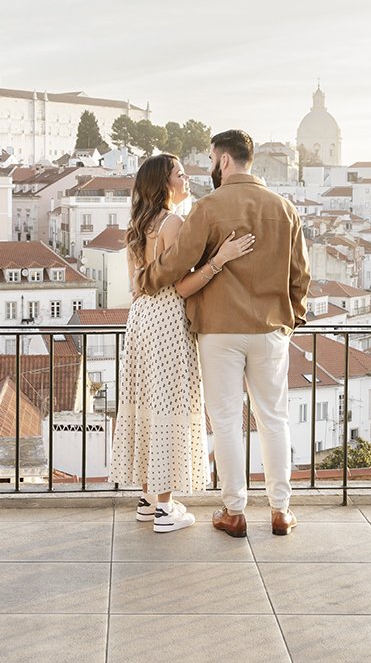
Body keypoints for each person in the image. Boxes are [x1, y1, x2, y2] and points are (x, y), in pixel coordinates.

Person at [139, 129, 309, 538]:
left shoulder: (210, 208)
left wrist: (146, 280)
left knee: (229, 422)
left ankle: (234, 512)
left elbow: (176, 262)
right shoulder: (285, 209)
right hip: (270, 329)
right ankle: (281, 511)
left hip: (218, 331)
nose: (210, 167)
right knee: (274, 419)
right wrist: (289, 321)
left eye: (212, 159)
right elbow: (301, 277)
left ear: (225, 160)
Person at [110, 152, 254, 533]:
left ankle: (147, 499)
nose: (187, 178)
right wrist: (219, 259)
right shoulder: (173, 223)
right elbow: (182, 284)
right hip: (168, 319)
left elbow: (137, 283)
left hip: (139, 320)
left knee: (145, 402)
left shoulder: (136, 227)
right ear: (165, 183)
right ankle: (164, 507)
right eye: (180, 173)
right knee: (170, 403)